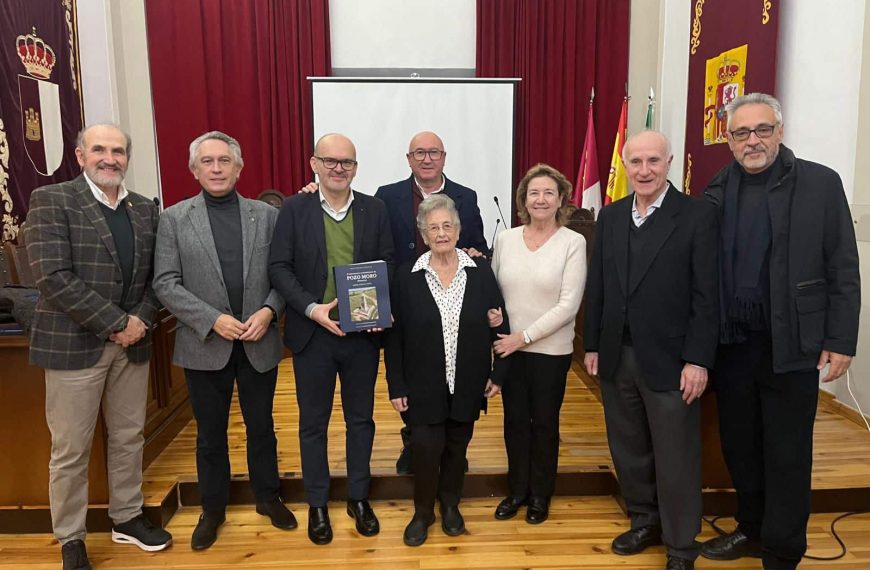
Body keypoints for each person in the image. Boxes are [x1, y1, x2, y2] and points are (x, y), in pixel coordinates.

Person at [700, 93, 860, 570]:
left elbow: (843, 268)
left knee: (788, 451)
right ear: (728, 141)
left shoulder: (820, 184)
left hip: (794, 344)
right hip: (733, 345)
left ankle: (783, 549)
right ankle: (750, 528)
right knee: (740, 446)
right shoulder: (717, 187)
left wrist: (841, 339)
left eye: (763, 130)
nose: (754, 141)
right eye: (742, 133)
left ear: (780, 131)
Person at [26, 123, 172, 570]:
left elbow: (154, 276)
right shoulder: (52, 201)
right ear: (80, 154)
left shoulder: (144, 208)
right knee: (71, 448)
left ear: (128, 158)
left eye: (118, 151)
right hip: (76, 345)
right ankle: (70, 536)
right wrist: (115, 323)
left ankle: (126, 516)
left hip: (133, 343)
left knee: (129, 436)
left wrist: (139, 321)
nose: (110, 158)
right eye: (100, 150)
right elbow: (52, 277)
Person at [153, 131, 295, 550]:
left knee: (262, 428)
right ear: (194, 169)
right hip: (204, 345)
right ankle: (212, 509)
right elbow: (165, 282)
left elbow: (284, 274)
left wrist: (269, 311)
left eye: (224, 161)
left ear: (239, 167)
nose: (216, 169)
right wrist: (213, 319)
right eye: (208, 162)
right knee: (210, 434)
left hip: (258, 341)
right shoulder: (175, 219)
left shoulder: (267, 216)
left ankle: (268, 497)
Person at [583, 130, 719, 570]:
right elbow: (599, 287)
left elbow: (707, 296)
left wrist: (698, 360)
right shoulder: (612, 216)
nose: (644, 170)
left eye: (653, 161)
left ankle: (681, 546)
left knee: (676, 457)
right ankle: (645, 520)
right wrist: (591, 345)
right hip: (616, 356)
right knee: (629, 448)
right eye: (635, 161)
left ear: (669, 163)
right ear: (624, 164)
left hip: (673, 361)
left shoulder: (697, 217)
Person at [268, 133, 395, 545]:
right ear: (314, 164)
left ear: (356, 168)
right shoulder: (293, 209)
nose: (339, 168)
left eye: (347, 162)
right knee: (313, 425)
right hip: (313, 335)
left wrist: (376, 307)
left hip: (361, 335)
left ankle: (359, 498)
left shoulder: (374, 209)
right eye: (331, 161)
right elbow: (280, 268)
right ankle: (317, 503)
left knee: (361, 421)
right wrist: (311, 308)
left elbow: (388, 261)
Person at [384, 193, 509, 547]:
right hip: (422, 383)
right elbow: (395, 338)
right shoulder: (407, 277)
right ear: (423, 234)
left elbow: (500, 322)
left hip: (468, 380)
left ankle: (451, 504)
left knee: (457, 447)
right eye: (433, 227)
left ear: (458, 229)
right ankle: (423, 511)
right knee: (425, 448)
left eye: (447, 226)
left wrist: (498, 373)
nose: (441, 233)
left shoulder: (480, 271)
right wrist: (396, 385)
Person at [377, 131, 489, 474]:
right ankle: (413, 444)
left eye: (434, 152)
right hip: (406, 299)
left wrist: (475, 253)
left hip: (452, 293)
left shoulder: (465, 198)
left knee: (451, 374)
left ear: (444, 156)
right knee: (417, 374)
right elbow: (381, 248)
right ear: (409, 159)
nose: (427, 159)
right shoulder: (387, 196)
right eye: (419, 153)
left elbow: (478, 244)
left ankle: (454, 451)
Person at [489, 164, 586, 525]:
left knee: (544, 424)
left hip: (549, 352)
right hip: (509, 350)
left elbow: (568, 305)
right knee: (514, 423)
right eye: (534, 193)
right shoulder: (505, 240)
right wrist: (494, 321)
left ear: (560, 198)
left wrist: (523, 337)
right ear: (523, 200)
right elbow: (495, 293)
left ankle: (540, 496)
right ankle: (517, 491)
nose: (540, 199)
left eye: (548, 193)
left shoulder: (572, 242)